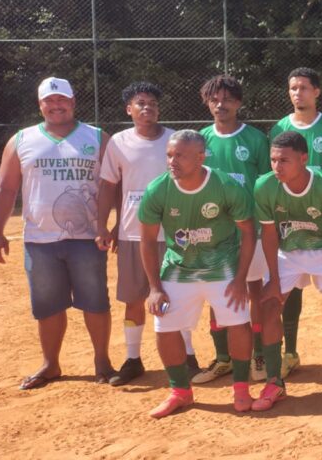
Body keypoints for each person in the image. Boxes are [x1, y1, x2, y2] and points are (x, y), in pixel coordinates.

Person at [0, 76, 115, 389]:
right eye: (49, 100)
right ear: (40, 105)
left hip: (87, 238)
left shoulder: (97, 137)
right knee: (47, 305)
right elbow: (6, 188)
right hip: (39, 239)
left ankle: (102, 361)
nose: (56, 105)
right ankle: (50, 364)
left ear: (72, 102)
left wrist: (111, 225)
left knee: (95, 301)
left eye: (62, 99)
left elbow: (113, 184)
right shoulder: (22, 140)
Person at [138, 130, 256, 418]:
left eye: (180, 155)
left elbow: (248, 233)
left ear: (200, 157)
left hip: (223, 267)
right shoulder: (157, 189)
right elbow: (147, 241)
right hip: (178, 268)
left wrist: (240, 279)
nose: (172, 161)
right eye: (169, 155)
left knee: (238, 323)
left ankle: (241, 389)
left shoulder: (226, 185)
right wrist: (155, 287)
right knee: (164, 324)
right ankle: (180, 392)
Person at [96, 82, 199, 386]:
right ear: (129, 109)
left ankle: (188, 357)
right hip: (133, 233)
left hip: (175, 233)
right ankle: (133, 359)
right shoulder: (118, 142)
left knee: (178, 297)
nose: (147, 107)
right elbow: (109, 186)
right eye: (140, 103)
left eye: (152, 103)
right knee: (133, 299)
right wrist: (104, 225)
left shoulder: (175, 140)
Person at [251, 131, 322, 410]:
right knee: (269, 304)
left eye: (284, 160)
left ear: (303, 159)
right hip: (288, 250)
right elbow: (269, 234)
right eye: (273, 160)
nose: (277, 166)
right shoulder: (264, 186)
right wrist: (274, 280)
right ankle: (274, 381)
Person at [269, 67, 322, 378]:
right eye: (293, 88)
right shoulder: (279, 128)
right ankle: (289, 353)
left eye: (304, 87)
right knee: (290, 286)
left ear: (316, 92)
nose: (297, 93)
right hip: (289, 221)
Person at [193, 75, 271, 384]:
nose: (220, 104)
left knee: (254, 292)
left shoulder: (255, 139)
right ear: (206, 103)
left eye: (227, 99)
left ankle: (259, 354)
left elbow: (266, 184)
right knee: (216, 294)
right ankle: (223, 357)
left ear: (238, 102)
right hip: (211, 233)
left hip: (249, 230)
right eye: (214, 99)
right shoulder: (199, 139)